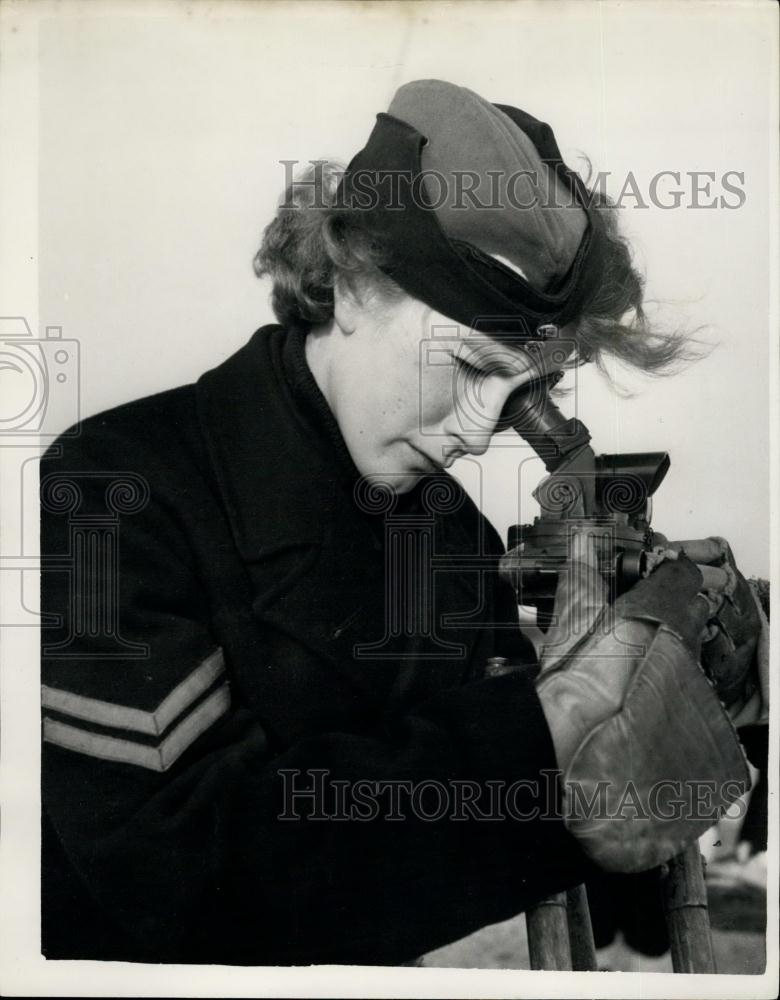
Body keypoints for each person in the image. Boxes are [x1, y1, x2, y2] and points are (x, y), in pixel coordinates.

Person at [40, 79, 767, 965]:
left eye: (517, 389)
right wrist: (549, 731)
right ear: (350, 283)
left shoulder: (448, 533)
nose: (476, 430)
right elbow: (177, 873)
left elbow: (587, 852)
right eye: (462, 364)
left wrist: (699, 676)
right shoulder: (112, 491)